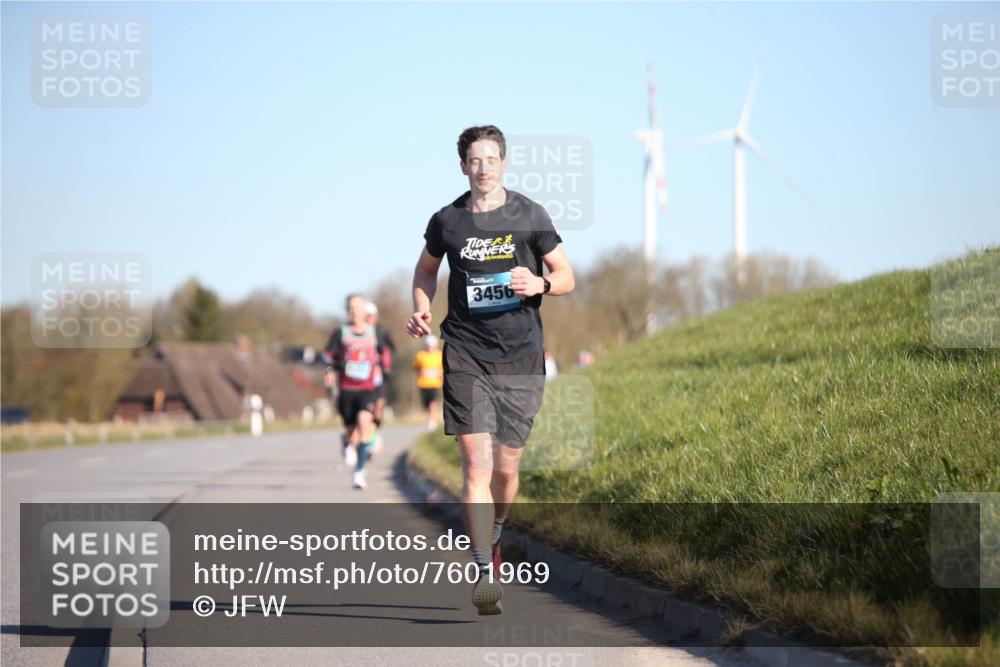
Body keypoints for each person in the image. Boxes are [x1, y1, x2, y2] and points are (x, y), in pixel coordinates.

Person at [405, 125, 575, 615]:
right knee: (476, 467)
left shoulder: (530, 215)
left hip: (520, 354)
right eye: (475, 160)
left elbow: (566, 276)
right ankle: (483, 571)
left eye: (492, 159)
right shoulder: (448, 221)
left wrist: (539, 283)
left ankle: (496, 534)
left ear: (504, 163)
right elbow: (424, 271)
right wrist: (421, 306)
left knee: (505, 470)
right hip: (465, 352)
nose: (484, 168)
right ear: (463, 167)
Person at [324, 294, 386, 490]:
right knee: (352, 432)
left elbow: (384, 354)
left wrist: (380, 369)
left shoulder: (374, 332)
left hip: (367, 389)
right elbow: (328, 356)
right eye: (350, 308)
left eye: (358, 308)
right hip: (347, 389)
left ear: (364, 311)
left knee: (365, 424)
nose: (354, 312)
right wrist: (330, 372)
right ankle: (346, 441)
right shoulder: (341, 333)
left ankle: (359, 472)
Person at [365, 301, 396, 455]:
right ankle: (367, 437)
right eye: (365, 316)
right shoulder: (357, 332)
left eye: (370, 316)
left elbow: (392, 349)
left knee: (378, 407)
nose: (367, 319)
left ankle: (375, 434)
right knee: (367, 408)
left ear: (375, 316)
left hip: (381, 375)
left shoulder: (382, 331)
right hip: (364, 377)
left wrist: (386, 363)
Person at [412, 334, 444, 431]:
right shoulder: (421, 355)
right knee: (426, 404)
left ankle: (433, 422)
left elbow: (444, 368)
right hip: (423, 383)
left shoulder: (440, 355)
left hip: (435, 383)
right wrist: (421, 371)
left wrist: (440, 373)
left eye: (432, 346)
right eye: (429, 346)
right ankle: (431, 418)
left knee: (433, 402)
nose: (430, 348)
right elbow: (415, 367)